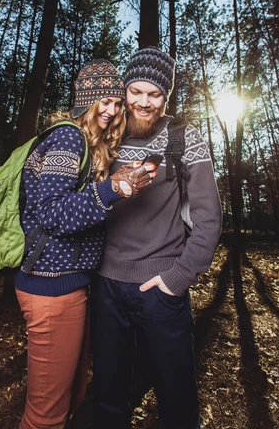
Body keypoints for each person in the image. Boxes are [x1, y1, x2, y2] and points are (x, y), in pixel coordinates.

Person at [15, 58, 157, 429]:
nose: (111, 111)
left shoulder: (89, 145)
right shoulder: (67, 137)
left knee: (69, 399)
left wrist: (115, 182)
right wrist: (109, 190)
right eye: (102, 103)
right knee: (46, 416)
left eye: (115, 102)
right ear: (84, 102)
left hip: (69, 286)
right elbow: (50, 213)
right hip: (50, 289)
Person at [91, 47, 222, 429]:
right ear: (125, 91)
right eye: (136, 92)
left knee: (177, 399)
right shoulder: (106, 134)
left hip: (161, 290)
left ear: (166, 97)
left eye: (155, 94)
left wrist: (177, 279)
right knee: (108, 397)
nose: (144, 103)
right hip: (107, 287)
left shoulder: (185, 138)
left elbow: (208, 219)